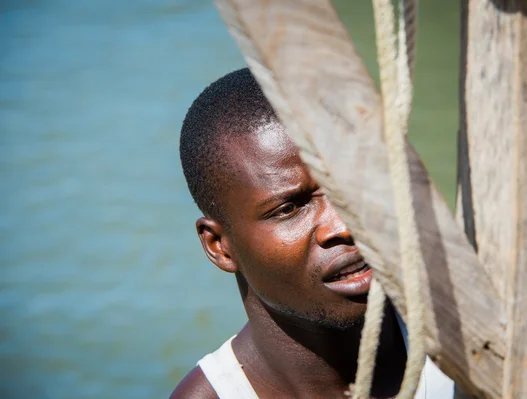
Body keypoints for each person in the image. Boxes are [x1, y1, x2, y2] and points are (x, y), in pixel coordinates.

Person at [170, 68, 454, 398]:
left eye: (351, 186)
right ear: (220, 246)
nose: (344, 227)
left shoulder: (476, 343)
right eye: (290, 208)